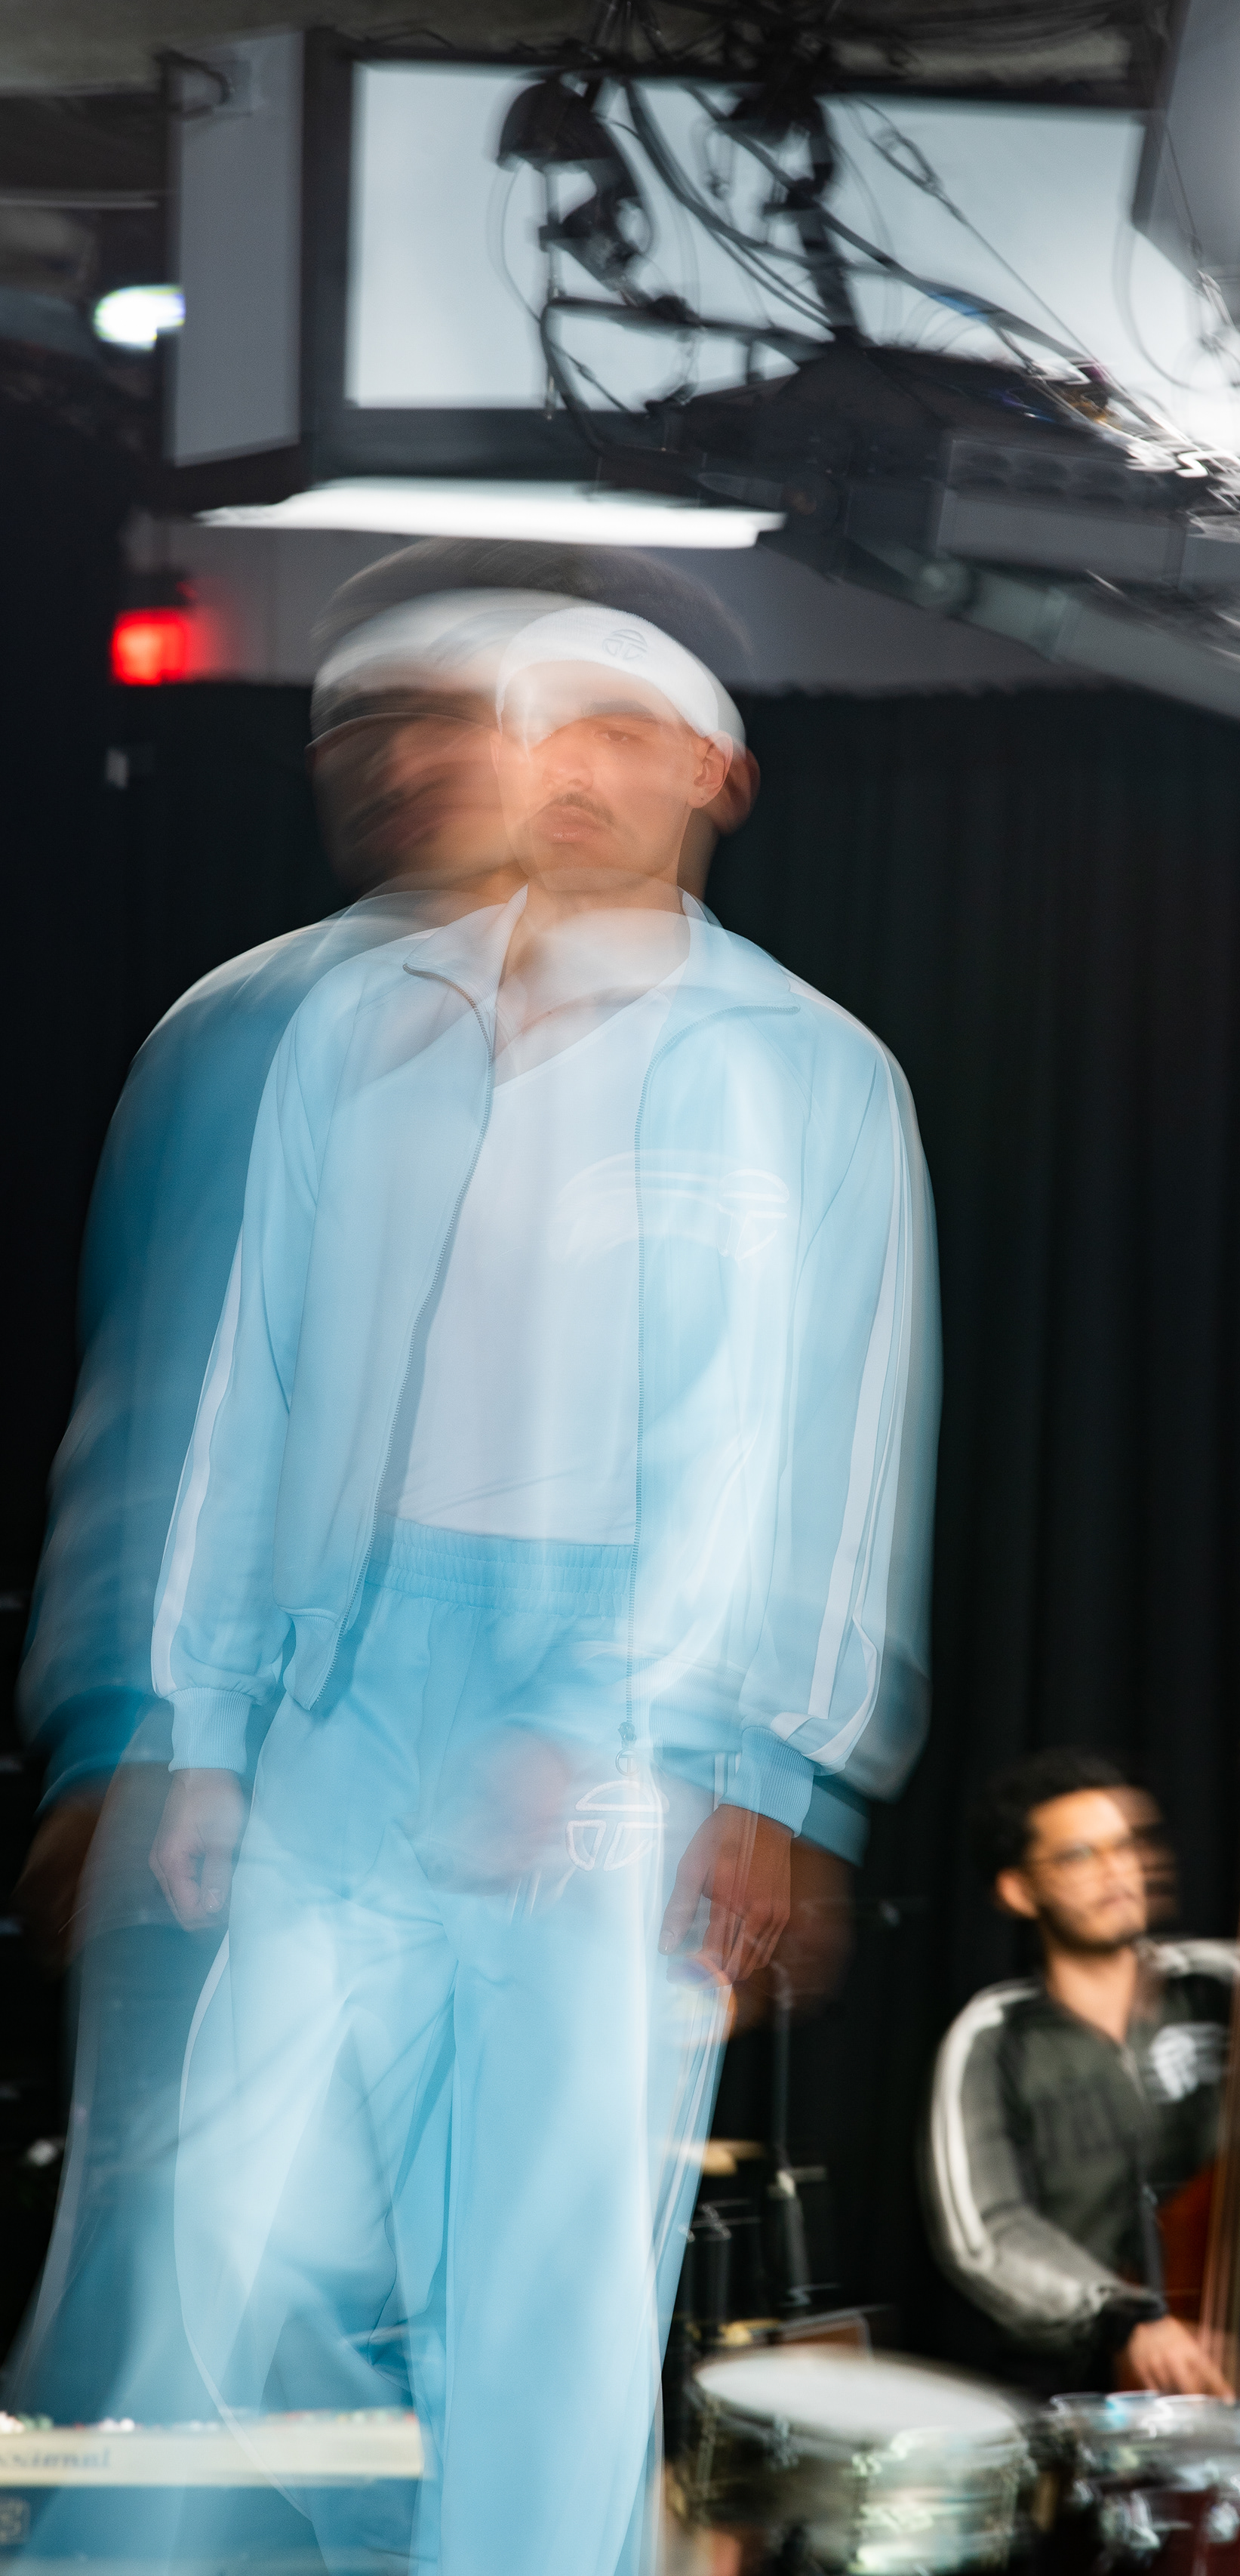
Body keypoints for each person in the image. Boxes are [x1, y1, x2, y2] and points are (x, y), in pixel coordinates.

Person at [147, 600, 940, 2576]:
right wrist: (205, 1720)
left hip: (622, 1713)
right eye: (539, 727)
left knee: (551, 2279)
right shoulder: (362, 1028)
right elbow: (252, 1384)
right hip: (347, 1673)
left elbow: (816, 1451)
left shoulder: (809, 1071)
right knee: (227, 2228)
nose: (570, 767)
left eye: (620, 730)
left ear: (715, 774)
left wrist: (734, 1760)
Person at [5, 541, 765, 2430]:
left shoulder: (694, 1054)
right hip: (251, 1763)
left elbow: (707, 1451)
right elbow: (165, 1417)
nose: (415, 763)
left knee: (498, 2290)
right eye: (371, 729)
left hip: (540, 1764)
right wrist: (132, 1734)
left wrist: (733, 1767)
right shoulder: (251, 1027)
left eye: (456, 721)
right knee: (198, 2289)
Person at [922, 1749, 1240, 2400]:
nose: (1118, 1870)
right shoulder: (992, 2036)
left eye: (1126, 1845)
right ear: (1019, 1890)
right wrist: (1124, 2319)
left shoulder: (1234, 1982)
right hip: (1086, 2394)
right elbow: (987, 2233)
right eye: (1080, 1855)